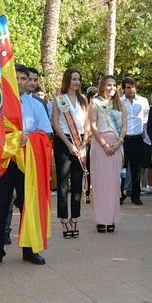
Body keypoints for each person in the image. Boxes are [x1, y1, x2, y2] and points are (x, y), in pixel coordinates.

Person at [0, 65, 53, 268]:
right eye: (17, 78)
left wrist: (28, 140)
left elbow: (45, 135)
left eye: (24, 78)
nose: (21, 82)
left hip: (28, 163)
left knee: (29, 205)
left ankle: (31, 251)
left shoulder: (37, 105)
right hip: (4, 162)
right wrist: (12, 139)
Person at [51, 69, 89, 238]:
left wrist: (84, 144)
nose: (76, 82)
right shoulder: (59, 98)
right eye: (73, 79)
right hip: (63, 141)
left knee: (77, 181)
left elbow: (87, 124)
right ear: (67, 80)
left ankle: (74, 218)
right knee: (63, 182)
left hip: (80, 142)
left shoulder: (83, 99)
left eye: (78, 79)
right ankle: (64, 219)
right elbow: (55, 123)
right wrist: (68, 144)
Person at [88, 75, 127, 233]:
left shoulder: (120, 104)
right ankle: (100, 219)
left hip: (116, 144)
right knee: (100, 183)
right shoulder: (95, 103)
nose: (111, 88)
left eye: (114, 85)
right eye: (108, 85)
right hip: (100, 144)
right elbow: (92, 125)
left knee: (113, 184)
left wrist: (119, 142)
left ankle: (111, 219)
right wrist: (104, 144)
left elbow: (124, 126)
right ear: (102, 86)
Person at [121, 77, 150, 206]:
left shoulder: (143, 101)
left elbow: (146, 119)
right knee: (121, 168)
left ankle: (135, 195)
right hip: (123, 139)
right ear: (123, 88)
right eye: (128, 87)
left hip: (138, 138)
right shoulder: (118, 101)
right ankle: (120, 194)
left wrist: (145, 137)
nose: (131, 89)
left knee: (136, 169)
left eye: (133, 87)